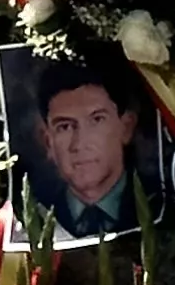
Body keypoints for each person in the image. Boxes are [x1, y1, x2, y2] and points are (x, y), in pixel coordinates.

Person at [23, 56, 149, 237]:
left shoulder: (161, 203)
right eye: (65, 126)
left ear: (126, 127)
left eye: (97, 120)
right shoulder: (35, 216)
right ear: (48, 142)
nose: (80, 143)